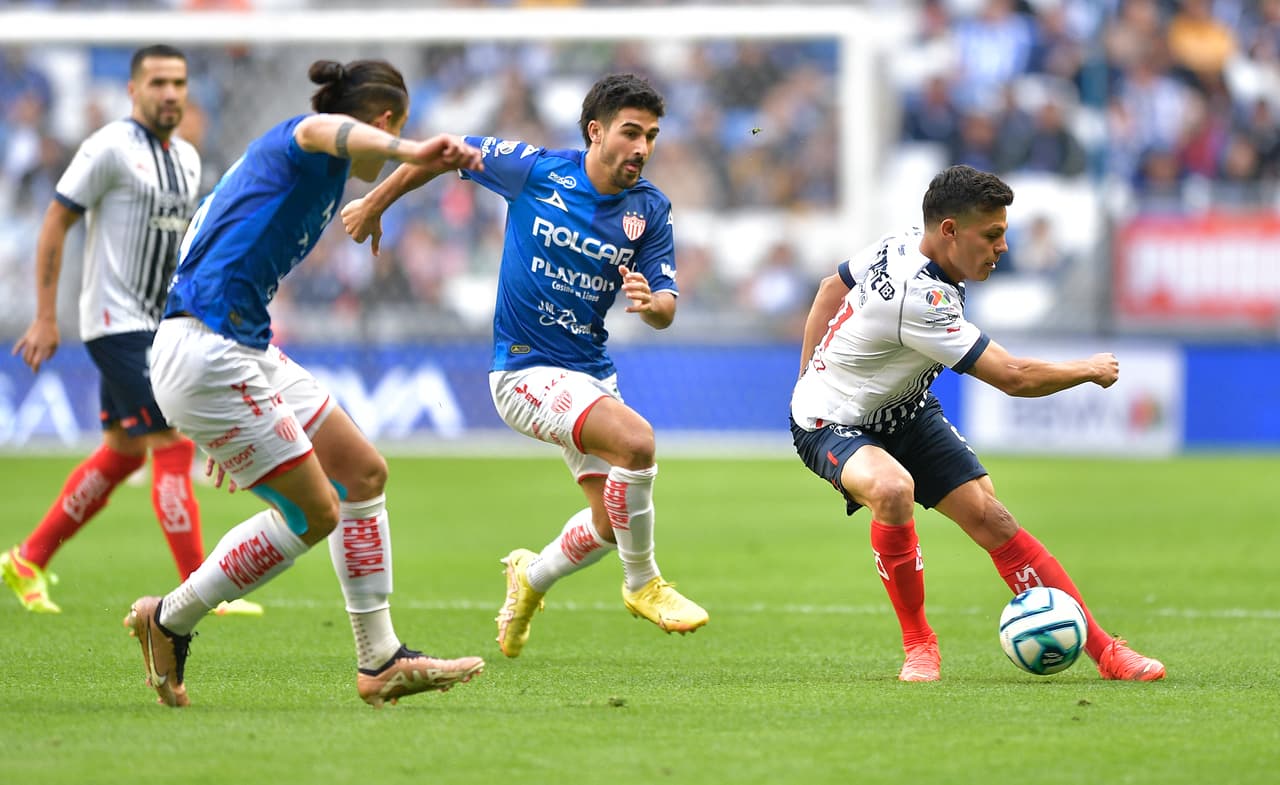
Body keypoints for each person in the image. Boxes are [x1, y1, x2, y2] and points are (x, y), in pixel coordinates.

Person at [122, 58, 486, 708]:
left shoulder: (310, 174)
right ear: (383, 121)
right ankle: (169, 617)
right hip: (208, 351)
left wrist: (414, 171)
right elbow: (330, 134)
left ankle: (381, 659)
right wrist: (405, 146)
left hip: (237, 347)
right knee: (315, 512)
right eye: (395, 129)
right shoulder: (305, 137)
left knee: (362, 471)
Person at [342, 73, 708, 658]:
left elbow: (666, 305)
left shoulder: (651, 210)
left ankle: (530, 578)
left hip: (590, 372)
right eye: (630, 132)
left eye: (652, 136)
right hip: (521, 371)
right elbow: (445, 151)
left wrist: (652, 304)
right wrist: (374, 201)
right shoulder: (537, 170)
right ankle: (644, 584)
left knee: (613, 523)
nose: (642, 147)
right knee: (637, 443)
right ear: (596, 131)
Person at [789, 165, 1166, 683]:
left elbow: (833, 285)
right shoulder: (918, 296)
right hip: (833, 422)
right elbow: (1012, 377)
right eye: (992, 235)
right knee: (893, 489)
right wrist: (1088, 368)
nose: (1002, 247)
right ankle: (920, 645)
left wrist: (807, 366)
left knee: (993, 519)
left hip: (906, 408)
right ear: (949, 231)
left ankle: (1107, 652)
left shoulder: (902, 243)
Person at [3, 44, 260, 618]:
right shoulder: (108, 148)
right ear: (133, 90)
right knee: (170, 442)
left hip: (160, 326)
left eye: (178, 82)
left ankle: (28, 559)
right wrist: (46, 315)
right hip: (115, 325)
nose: (170, 93)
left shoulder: (187, 160)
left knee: (121, 453)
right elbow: (56, 219)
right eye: (158, 82)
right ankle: (199, 586)